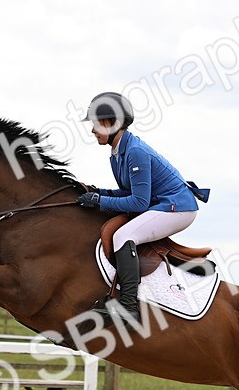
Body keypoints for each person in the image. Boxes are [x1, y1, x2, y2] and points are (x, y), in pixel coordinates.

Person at [77, 91, 208, 325]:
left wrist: (100, 201)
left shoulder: (135, 152)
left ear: (111, 123)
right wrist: (99, 193)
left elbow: (139, 203)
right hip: (162, 204)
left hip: (178, 208)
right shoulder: (117, 153)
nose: (92, 130)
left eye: (96, 124)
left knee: (123, 236)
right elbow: (128, 192)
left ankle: (129, 307)